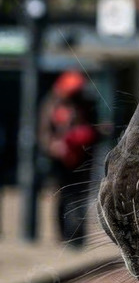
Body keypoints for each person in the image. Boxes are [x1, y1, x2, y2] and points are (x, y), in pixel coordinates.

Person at [39, 71, 99, 247]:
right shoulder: (51, 104)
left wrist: (86, 135)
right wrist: (54, 146)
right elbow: (43, 133)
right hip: (61, 161)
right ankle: (64, 236)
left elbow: (94, 129)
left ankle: (78, 236)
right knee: (63, 196)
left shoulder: (86, 104)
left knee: (80, 196)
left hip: (82, 159)